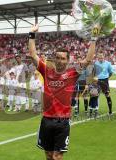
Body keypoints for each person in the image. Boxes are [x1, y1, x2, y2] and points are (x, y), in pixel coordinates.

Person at [29, 24, 97, 160]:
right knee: (48, 155)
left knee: (57, 157)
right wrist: (31, 34)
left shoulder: (73, 73)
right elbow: (33, 55)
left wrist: (94, 37)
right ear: (54, 58)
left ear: (67, 60)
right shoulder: (46, 70)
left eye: (63, 58)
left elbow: (88, 59)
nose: (60, 60)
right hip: (46, 119)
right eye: (58, 57)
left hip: (63, 122)